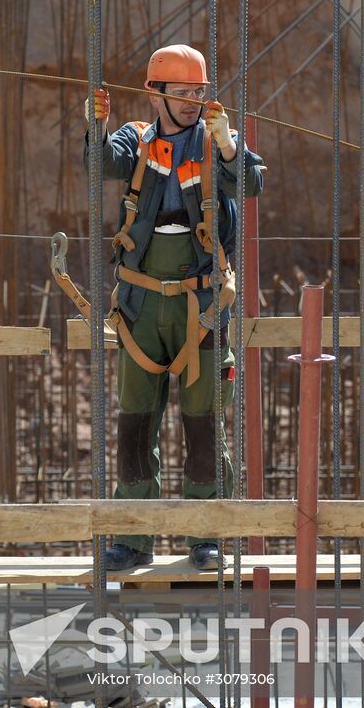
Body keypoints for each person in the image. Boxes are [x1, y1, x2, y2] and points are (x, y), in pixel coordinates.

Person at [84, 44, 266, 572]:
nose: (193, 101)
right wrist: (96, 127)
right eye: (183, 92)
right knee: (136, 421)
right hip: (141, 301)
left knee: (202, 419)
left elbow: (248, 182)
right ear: (156, 94)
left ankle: (205, 537)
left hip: (202, 303)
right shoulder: (136, 139)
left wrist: (229, 142)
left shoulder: (214, 142)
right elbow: (101, 164)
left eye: (200, 92)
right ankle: (132, 539)